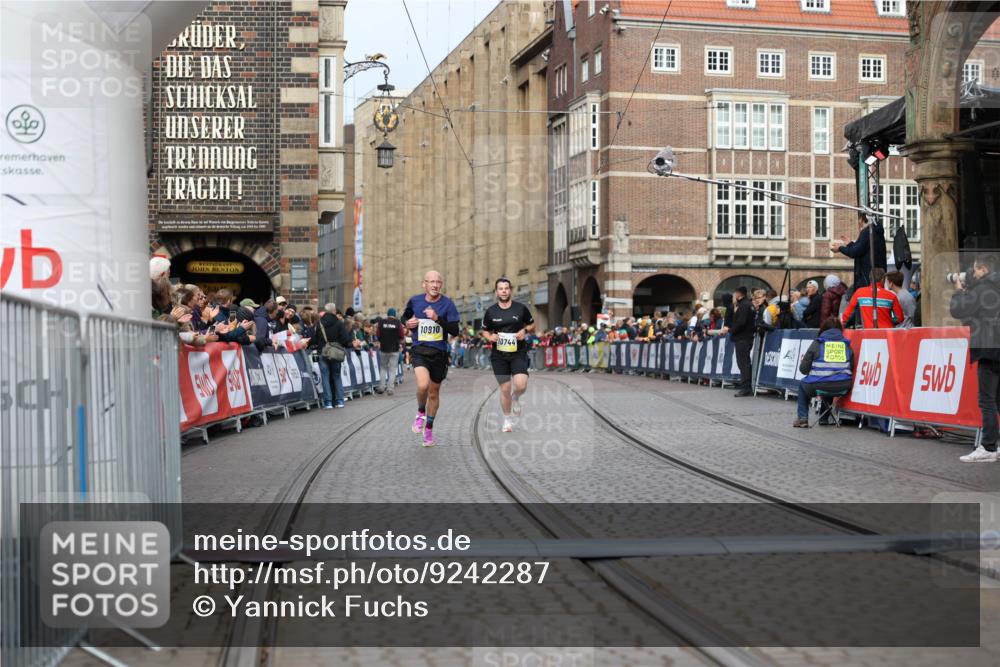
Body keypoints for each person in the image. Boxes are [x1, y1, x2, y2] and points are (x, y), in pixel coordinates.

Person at [402, 270, 461, 447]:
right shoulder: (415, 301)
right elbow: (405, 316)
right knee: (422, 385)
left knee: (434, 393)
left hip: (440, 354)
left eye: (438, 282)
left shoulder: (448, 304)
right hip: (420, 350)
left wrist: (438, 319)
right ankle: (420, 412)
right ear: (424, 284)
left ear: (441, 284)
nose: (435, 285)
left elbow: (455, 330)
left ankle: (428, 428)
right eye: (431, 282)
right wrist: (407, 322)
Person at [950, 255, 1000, 462]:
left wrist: (958, 290)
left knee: (987, 399)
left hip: (988, 349)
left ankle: (988, 447)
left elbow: (957, 310)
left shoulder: (981, 290)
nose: (972, 274)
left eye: (974, 270)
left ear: (982, 269)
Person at [481, 277, 535, 433]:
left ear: (510, 290)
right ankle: (507, 420)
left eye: (506, 288)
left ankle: (516, 397)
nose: (504, 291)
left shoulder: (520, 308)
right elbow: (485, 330)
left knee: (521, 385)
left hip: (518, 352)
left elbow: (531, 323)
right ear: (496, 292)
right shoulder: (491, 311)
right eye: (500, 288)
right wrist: (490, 337)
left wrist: (524, 331)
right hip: (499, 355)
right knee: (505, 388)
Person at [793, 317, 854, 428]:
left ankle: (802, 419)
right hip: (844, 387)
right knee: (830, 380)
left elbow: (803, 369)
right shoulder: (847, 345)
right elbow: (852, 367)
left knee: (803, 385)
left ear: (824, 329)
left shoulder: (817, 344)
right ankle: (824, 418)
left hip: (820, 385)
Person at [308, 303, 357, 409]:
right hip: (335, 353)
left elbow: (314, 339)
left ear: (325, 312)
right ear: (334, 311)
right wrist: (349, 344)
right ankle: (340, 401)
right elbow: (345, 339)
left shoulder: (319, 323)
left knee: (325, 377)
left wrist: (310, 344)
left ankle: (328, 402)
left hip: (323, 352)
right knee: (337, 376)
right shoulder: (339, 323)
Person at [830, 213, 887, 291]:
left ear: (862, 219)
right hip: (874, 274)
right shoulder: (876, 232)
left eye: (859, 219)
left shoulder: (867, 232)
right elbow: (862, 249)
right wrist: (850, 244)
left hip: (867, 275)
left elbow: (855, 252)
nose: (858, 222)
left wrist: (840, 248)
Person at [730, 287, 755, 397]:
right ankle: (746, 386)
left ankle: (746, 388)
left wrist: (732, 331)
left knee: (743, 363)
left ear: (739, 294)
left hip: (742, 338)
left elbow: (741, 322)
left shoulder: (744, 305)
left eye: (735, 294)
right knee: (744, 363)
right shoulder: (749, 304)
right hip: (746, 337)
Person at [376, 308, 403, 394]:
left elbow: (377, 335)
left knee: (383, 368)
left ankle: (381, 387)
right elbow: (401, 335)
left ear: (387, 314)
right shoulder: (398, 323)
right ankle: (390, 389)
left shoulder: (381, 322)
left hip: (384, 349)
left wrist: (382, 340)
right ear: (394, 314)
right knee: (392, 369)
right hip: (394, 349)